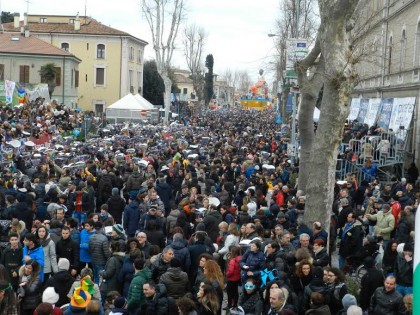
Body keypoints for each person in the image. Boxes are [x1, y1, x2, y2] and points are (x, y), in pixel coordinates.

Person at [225, 246, 242, 310]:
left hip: (231, 279)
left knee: (229, 292)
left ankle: (229, 305)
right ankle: (235, 304)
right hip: (237, 278)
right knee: (235, 292)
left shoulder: (232, 260)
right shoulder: (240, 259)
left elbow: (230, 271)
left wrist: (227, 275)